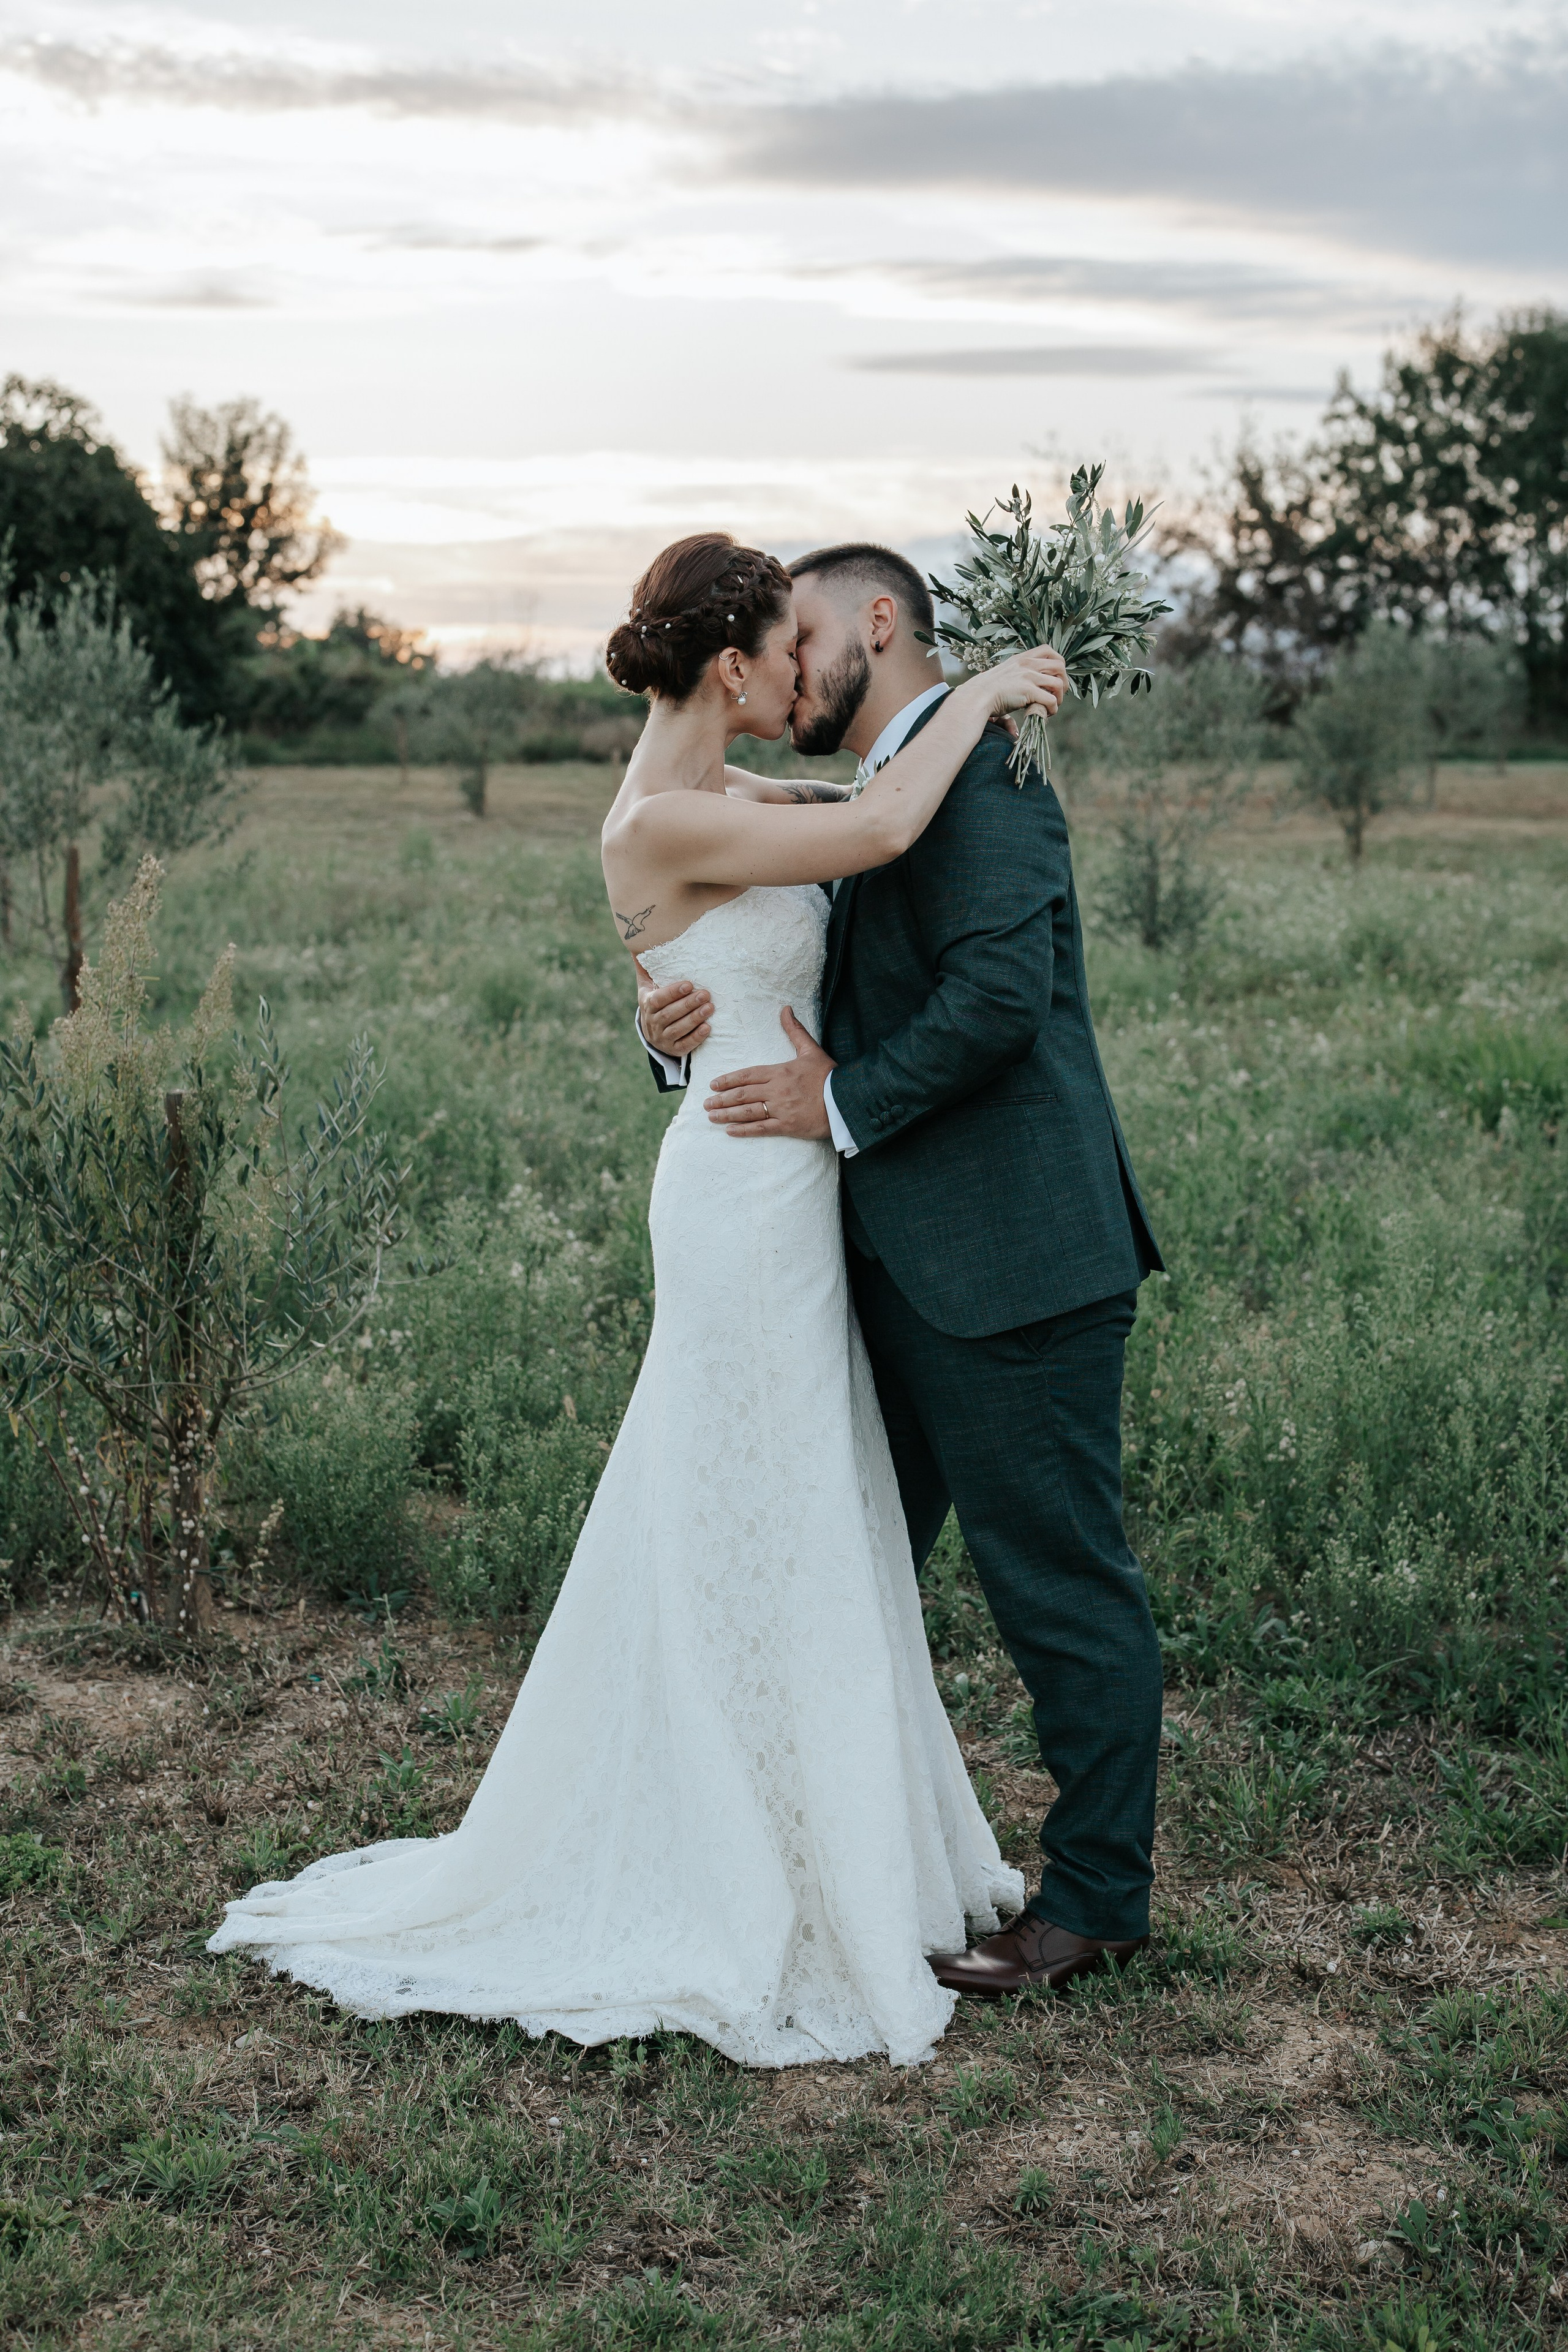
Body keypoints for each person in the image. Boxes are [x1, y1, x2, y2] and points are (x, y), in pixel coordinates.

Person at [208, 532, 1063, 2068]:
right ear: (733, 667)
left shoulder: (716, 798)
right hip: (743, 1193)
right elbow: (873, 833)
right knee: (752, 1497)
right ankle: (733, 1854)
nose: (808, 673)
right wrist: (982, 688)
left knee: (804, 1498)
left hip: (784, 1169)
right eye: (788, 651)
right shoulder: (659, 817)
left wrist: (678, 1019)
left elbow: (841, 827)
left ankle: (825, 1835)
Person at [638, 540, 1166, 2000]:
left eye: (803, 637)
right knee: (843, 1573)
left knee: (1058, 1584)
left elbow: (1002, 998)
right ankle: (819, 1866)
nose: (789, 669)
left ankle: (1098, 1903)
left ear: (879, 623)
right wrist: (684, 1025)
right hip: (865, 1260)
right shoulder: (886, 782)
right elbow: (730, 905)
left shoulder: (980, 778)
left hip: (1010, 1256)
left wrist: (836, 1100)